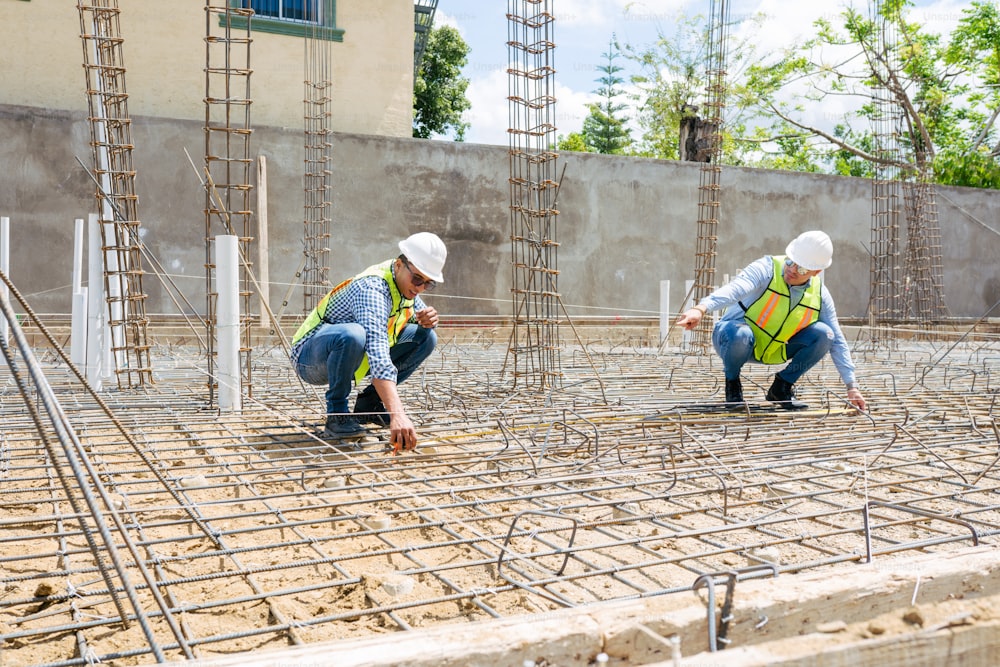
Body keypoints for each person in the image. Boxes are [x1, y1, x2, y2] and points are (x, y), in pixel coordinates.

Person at [675, 230, 866, 412]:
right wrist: (701, 308)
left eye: (800, 268)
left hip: (774, 348)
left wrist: (852, 385)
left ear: (815, 272)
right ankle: (732, 383)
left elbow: (838, 340)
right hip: (734, 340)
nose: (791, 269)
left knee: (826, 334)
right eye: (790, 261)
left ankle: (781, 387)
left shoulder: (820, 294)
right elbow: (735, 289)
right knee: (741, 334)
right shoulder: (766, 268)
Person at [290, 232, 446, 452]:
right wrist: (398, 415)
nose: (420, 288)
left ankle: (369, 405)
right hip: (309, 358)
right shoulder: (372, 289)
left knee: (426, 336)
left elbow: (419, 320)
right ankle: (337, 414)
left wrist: (430, 320)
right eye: (418, 279)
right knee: (353, 334)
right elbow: (378, 351)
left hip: (347, 355)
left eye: (428, 284)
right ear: (399, 265)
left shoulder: (404, 287)